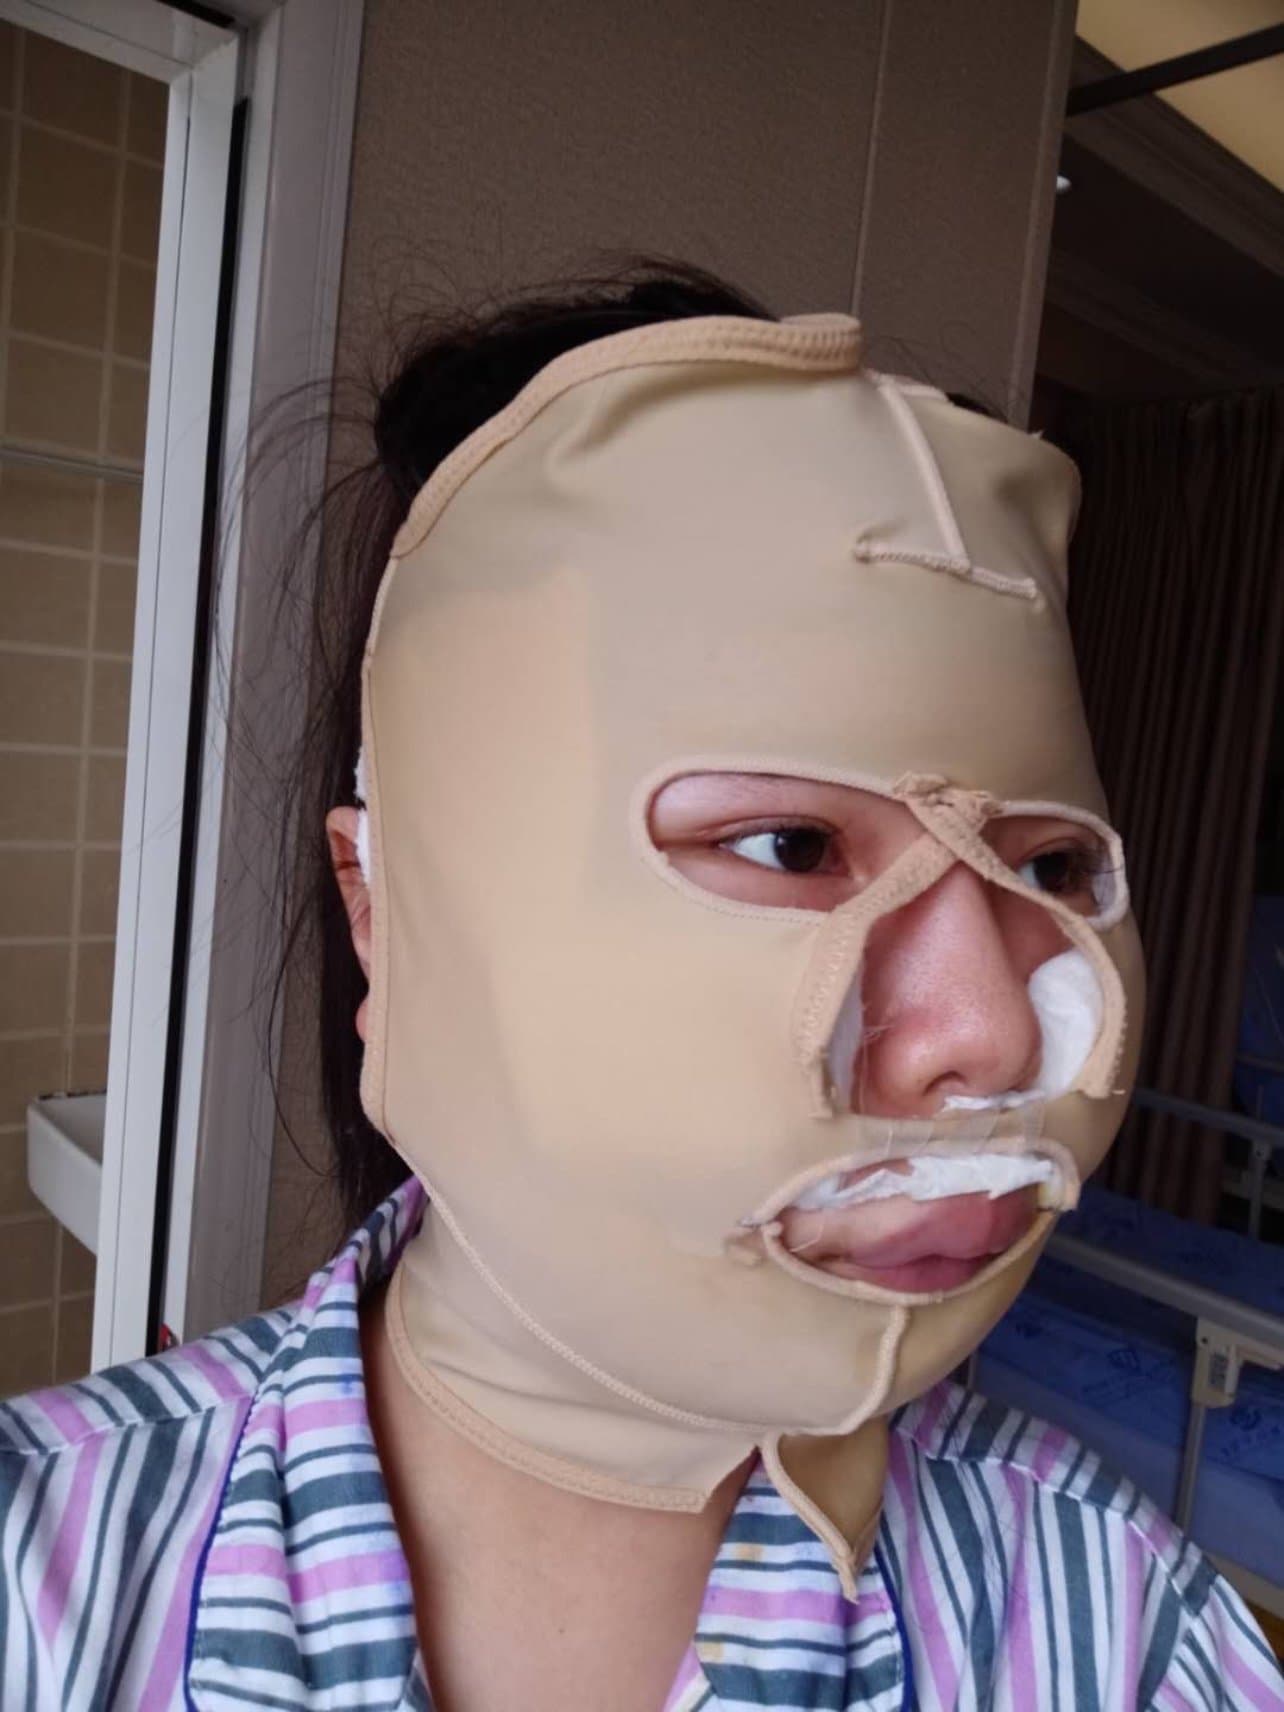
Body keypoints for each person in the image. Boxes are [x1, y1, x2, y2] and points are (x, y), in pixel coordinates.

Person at [2, 263, 1281, 1712]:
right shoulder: (38, 1587)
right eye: (789, 846)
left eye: (1052, 869)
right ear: (383, 906)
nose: (996, 1036)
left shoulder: (1127, 1627)